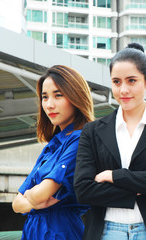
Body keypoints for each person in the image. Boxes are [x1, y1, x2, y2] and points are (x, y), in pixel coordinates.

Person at [74, 43, 146, 240]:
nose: (123, 89)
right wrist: (138, 190)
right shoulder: (92, 131)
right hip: (105, 232)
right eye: (116, 82)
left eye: (131, 81)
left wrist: (115, 176)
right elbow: (83, 189)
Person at [12, 65, 94, 239]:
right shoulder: (52, 146)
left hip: (59, 231)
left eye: (58, 95)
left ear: (75, 97)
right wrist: (37, 201)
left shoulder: (80, 140)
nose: (49, 105)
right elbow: (16, 204)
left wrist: (33, 197)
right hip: (34, 230)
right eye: (44, 97)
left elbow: (42, 193)